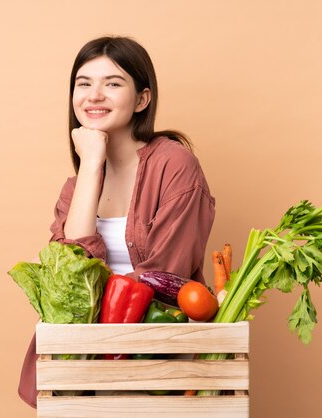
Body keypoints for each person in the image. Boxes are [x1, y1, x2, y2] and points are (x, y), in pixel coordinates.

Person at [18, 35, 215, 408]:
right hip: (85, 360)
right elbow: (68, 280)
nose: (94, 95)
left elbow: (167, 276)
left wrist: (100, 321)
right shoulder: (75, 187)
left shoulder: (174, 166)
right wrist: (92, 165)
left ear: (142, 99)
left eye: (112, 83)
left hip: (155, 355)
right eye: (84, 84)